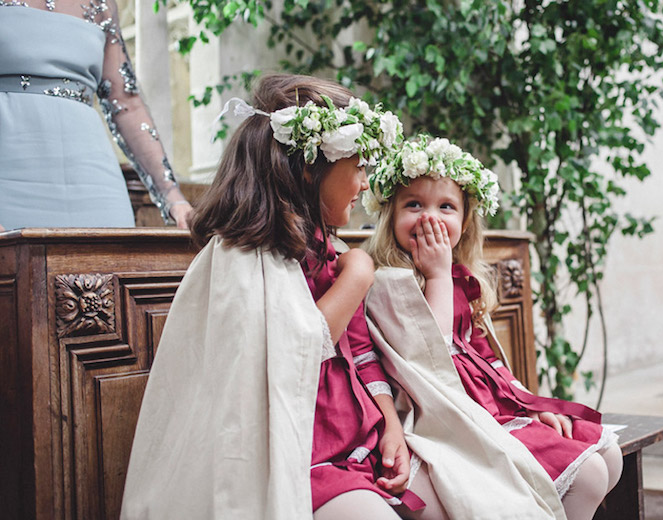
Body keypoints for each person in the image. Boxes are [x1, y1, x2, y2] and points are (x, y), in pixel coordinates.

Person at [121, 74, 455, 520]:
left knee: (465, 495)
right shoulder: (242, 256)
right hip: (299, 451)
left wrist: (392, 424)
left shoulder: (326, 249)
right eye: (357, 167)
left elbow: (358, 350)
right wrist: (356, 278)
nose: (363, 184)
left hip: (358, 437)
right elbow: (290, 352)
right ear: (308, 168)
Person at [363, 135, 623, 520]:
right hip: (442, 413)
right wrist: (435, 275)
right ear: (390, 214)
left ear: (465, 222)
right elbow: (429, 359)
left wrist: (529, 404)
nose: (429, 218)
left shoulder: (457, 277)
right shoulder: (388, 281)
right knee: (589, 475)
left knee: (609, 455)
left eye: (446, 207)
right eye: (413, 204)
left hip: (487, 402)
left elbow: (484, 355)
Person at [0, 0, 191, 230]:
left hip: (95, 185)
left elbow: (127, 103)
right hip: (8, 181)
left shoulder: (102, 4)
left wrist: (172, 196)